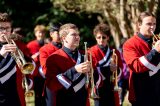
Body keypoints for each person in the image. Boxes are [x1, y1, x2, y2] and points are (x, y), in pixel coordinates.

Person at [45, 23, 91, 106]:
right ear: (64, 38)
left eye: (78, 34)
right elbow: (52, 85)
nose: (77, 37)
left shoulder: (85, 55)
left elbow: (98, 82)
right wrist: (75, 70)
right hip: (64, 101)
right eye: (73, 34)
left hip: (84, 102)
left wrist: (92, 73)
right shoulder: (53, 58)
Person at [123, 11, 160, 106]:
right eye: (149, 24)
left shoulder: (156, 40)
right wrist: (155, 51)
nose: (152, 27)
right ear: (139, 25)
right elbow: (135, 66)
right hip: (141, 94)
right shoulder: (130, 44)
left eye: (154, 24)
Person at [0, 12, 34, 106]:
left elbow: (29, 67)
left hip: (16, 96)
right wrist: (1, 55)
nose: (4, 31)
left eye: (7, 28)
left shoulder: (17, 45)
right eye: (1, 28)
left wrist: (21, 55)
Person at [89, 23, 123, 106]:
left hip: (112, 86)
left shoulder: (114, 52)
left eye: (104, 37)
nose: (101, 40)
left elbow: (121, 69)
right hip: (98, 87)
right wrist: (108, 69)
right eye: (99, 37)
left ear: (108, 37)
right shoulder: (91, 52)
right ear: (95, 38)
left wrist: (117, 69)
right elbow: (92, 70)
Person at [39, 23, 62, 106]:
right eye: (58, 33)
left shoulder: (68, 47)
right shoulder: (44, 49)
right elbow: (46, 69)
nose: (61, 35)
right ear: (51, 34)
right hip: (52, 84)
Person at [26, 24, 47, 106]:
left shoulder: (48, 44)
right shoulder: (30, 45)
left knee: (45, 96)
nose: (41, 34)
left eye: (42, 32)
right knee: (37, 97)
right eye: (39, 32)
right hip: (35, 74)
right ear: (35, 33)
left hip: (46, 73)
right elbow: (28, 59)